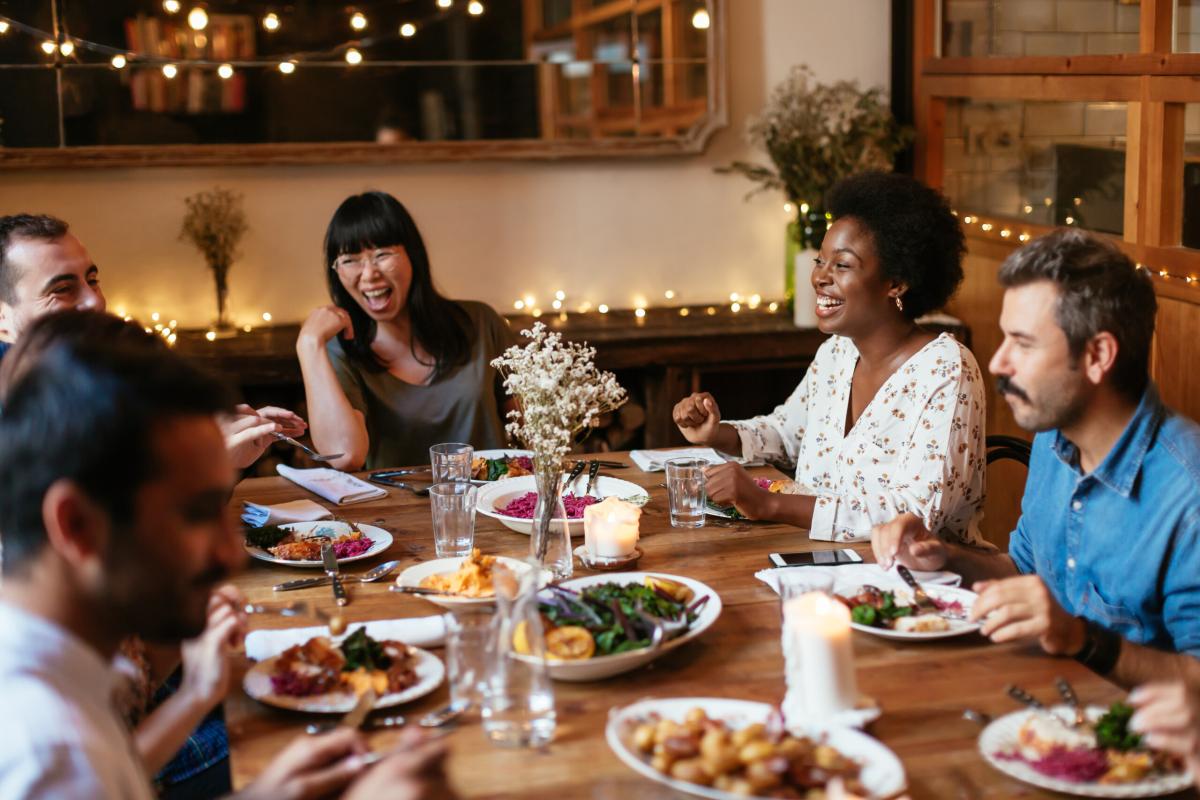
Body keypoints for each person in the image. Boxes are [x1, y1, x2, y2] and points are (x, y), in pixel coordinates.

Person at [0, 313, 450, 799]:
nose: (231, 551)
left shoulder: (64, 670)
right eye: (195, 513)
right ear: (78, 526)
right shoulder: (46, 751)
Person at [873, 228, 1200, 689]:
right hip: (1037, 710)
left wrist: (1081, 639)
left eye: (1022, 343)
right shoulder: (1053, 438)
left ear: (1097, 355)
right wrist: (941, 555)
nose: (998, 363)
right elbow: (1023, 571)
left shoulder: (1189, 492)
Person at [672, 172, 988, 543]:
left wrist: (769, 505)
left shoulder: (946, 369)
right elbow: (787, 433)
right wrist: (717, 432)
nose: (821, 277)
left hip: (918, 582)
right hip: (825, 565)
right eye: (820, 262)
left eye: (842, 265)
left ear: (896, 282)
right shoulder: (837, 352)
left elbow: (916, 514)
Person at [0, 212, 306, 468]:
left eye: (92, 281)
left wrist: (226, 447)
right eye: (63, 289)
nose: (94, 302)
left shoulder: (102, 377)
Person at [298, 191, 516, 470]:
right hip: (395, 510)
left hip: (490, 503)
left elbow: (533, 433)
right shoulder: (339, 351)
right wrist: (308, 343)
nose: (369, 274)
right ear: (336, 271)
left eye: (382, 255)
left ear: (412, 255)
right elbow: (346, 456)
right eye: (350, 260)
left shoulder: (481, 323)